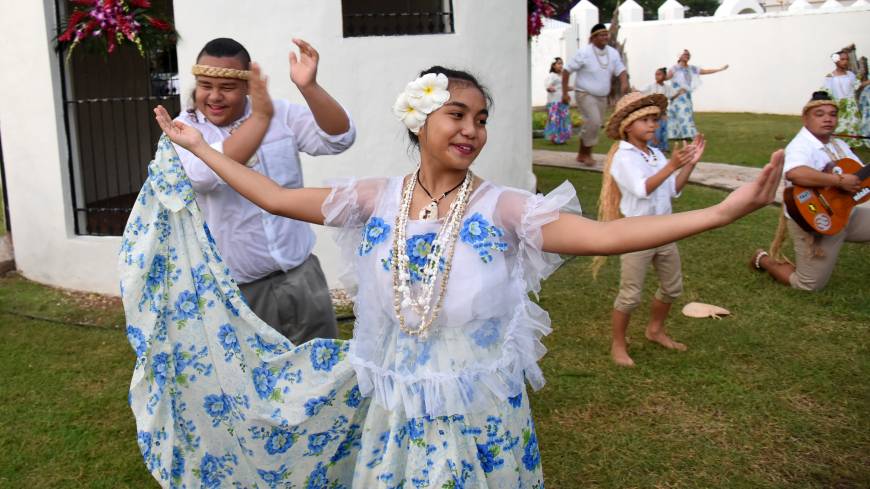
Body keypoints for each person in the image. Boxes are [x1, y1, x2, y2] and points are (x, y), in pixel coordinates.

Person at [134, 65, 782, 486]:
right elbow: (274, 197)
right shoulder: (374, 197)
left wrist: (722, 211)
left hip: (480, 408)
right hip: (401, 404)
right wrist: (200, 150)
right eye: (457, 114)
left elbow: (607, 235)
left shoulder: (502, 207)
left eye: (480, 119)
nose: (472, 128)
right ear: (420, 120)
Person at [172, 38, 356, 345]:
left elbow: (339, 138)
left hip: (302, 275)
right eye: (205, 85)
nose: (214, 96)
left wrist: (309, 87)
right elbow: (203, 176)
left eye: (227, 88)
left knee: (322, 372)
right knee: (259, 385)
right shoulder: (185, 130)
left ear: (248, 85)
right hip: (240, 289)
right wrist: (260, 119)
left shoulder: (279, 113)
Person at [592, 92, 705, 366]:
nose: (653, 125)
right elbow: (643, 189)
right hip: (637, 233)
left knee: (672, 287)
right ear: (628, 126)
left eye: (654, 119)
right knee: (630, 295)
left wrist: (688, 165)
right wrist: (672, 165)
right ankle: (618, 344)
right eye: (645, 120)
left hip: (664, 230)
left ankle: (655, 329)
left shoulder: (655, 154)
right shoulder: (623, 156)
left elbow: (673, 190)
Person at [751, 91, 868, 291]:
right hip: (815, 218)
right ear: (805, 119)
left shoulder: (838, 144)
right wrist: (839, 180)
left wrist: (852, 181)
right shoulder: (801, 146)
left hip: (846, 212)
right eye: (820, 114)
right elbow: (795, 173)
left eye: (832, 114)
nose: (828, 119)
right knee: (808, 285)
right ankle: (763, 259)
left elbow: (860, 176)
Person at [562, 23, 628, 165]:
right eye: (601, 35)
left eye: (606, 34)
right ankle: (587, 155)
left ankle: (582, 154)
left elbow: (621, 70)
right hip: (584, 93)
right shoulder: (584, 52)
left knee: (593, 124)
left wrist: (624, 83)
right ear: (593, 38)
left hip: (602, 96)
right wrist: (564, 93)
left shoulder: (613, 53)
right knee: (594, 121)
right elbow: (566, 70)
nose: (605, 37)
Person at [666, 49, 728, 143]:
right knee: (680, 114)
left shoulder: (692, 68)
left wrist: (720, 69)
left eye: (688, 55)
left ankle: (683, 134)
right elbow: (666, 77)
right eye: (685, 54)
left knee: (686, 113)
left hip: (686, 95)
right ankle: (686, 134)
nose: (687, 56)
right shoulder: (675, 68)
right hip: (677, 95)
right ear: (680, 56)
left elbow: (706, 71)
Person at [822, 50, 870, 149]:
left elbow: (858, 86)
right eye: (842, 59)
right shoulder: (830, 77)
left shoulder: (850, 75)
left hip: (851, 107)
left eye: (847, 59)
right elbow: (826, 92)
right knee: (839, 127)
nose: (845, 62)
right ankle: (838, 147)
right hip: (839, 106)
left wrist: (867, 82)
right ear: (836, 61)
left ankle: (851, 149)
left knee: (852, 126)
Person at [642, 67, 685, 153]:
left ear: (664, 76)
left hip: (664, 113)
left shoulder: (667, 88)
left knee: (664, 131)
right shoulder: (651, 86)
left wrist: (679, 93)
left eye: (659, 74)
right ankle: (653, 147)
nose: (657, 76)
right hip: (654, 112)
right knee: (655, 130)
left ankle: (664, 148)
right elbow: (642, 92)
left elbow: (672, 96)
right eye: (656, 74)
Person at [543, 57, 571, 144]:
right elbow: (547, 86)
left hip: (563, 101)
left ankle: (562, 138)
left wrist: (575, 88)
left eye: (561, 63)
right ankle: (554, 139)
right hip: (554, 101)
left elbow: (564, 87)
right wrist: (549, 88)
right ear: (553, 65)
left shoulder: (562, 76)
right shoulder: (552, 76)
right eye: (558, 63)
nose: (561, 65)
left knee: (563, 119)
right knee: (555, 120)